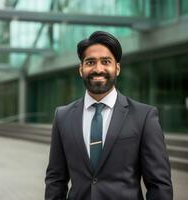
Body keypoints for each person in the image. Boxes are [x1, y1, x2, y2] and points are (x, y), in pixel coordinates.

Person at [45, 31, 173, 200]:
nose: (98, 69)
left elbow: (159, 185)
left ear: (117, 68)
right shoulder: (62, 116)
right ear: (81, 69)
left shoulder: (144, 117)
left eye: (106, 62)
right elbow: (56, 180)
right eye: (90, 62)